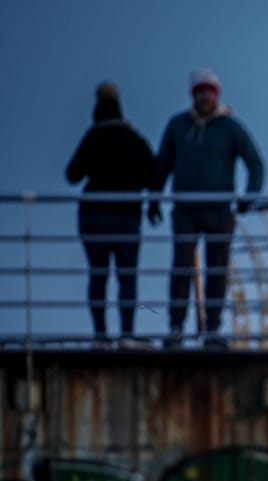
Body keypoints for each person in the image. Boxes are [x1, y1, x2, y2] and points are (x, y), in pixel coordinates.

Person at [153, 68, 264, 349]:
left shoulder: (230, 127)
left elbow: (255, 162)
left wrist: (249, 196)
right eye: (200, 91)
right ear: (193, 95)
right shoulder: (178, 125)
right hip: (185, 210)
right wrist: (154, 198)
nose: (205, 96)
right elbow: (162, 164)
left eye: (210, 91)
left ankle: (213, 330)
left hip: (219, 211)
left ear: (217, 95)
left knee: (217, 270)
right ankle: (176, 327)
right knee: (181, 267)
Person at [66, 81, 161, 348]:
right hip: (127, 217)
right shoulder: (134, 139)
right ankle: (127, 335)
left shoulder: (93, 137)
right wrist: (153, 204)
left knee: (98, 274)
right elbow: (154, 174)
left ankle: (100, 336)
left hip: (93, 216)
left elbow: (72, 175)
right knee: (127, 276)